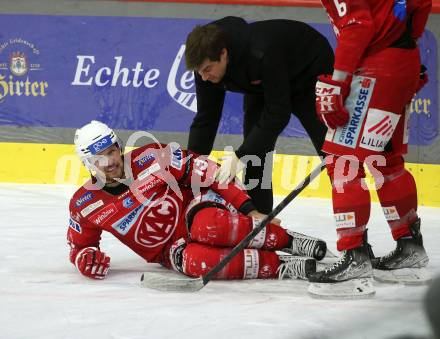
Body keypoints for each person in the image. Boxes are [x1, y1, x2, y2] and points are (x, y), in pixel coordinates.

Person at [67, 120, 327, 281]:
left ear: (119, 147)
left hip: (196, 210)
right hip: (171, 250)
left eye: (112, 151)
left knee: (208, 226)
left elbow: (208, 171)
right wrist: (86, 259)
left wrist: (248, 209)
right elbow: (80, 247)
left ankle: (289, 240)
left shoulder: (152, 156)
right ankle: (281, 265)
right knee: (197, 262)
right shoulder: (84, 204)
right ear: (87, 164)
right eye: (99, 158)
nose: (110, 162)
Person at [308, 0, 431, 293]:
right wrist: (405, 43)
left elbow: (357, 25)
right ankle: (410, 247)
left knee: (343, 163)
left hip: (376, 67)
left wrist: (338, 83)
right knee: (387, 161)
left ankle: (354, 259)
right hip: (404, 63)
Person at [185, 16, 334, 214]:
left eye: (207, 70)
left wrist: (239, 156)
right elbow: (206, 118)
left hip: (308, 71)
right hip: (260, 83)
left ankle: (353, 231)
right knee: (255, 153)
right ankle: (260, 220)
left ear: (223, 54)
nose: (204, 77)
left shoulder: (260, 52)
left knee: (331, 148)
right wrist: (191, 166)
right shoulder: (204, 65)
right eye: (199, 72)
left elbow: (278, 113)